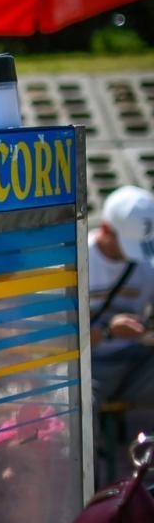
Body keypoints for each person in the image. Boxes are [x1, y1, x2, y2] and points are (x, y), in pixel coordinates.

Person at [88, 184, 154, 479]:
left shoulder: (145, 264)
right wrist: (109, 332)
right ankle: (92, 486)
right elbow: (62, 340)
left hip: (133, 363)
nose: (133, 256)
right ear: (105, 229)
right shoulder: (78, 260)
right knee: (81, 402)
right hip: (89, 368)